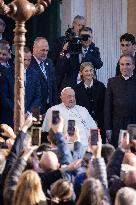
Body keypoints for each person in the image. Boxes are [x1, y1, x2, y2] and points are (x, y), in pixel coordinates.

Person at [0, 47, 41, 127]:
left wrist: (28, 112)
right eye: (24, 59)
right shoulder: (6, 73)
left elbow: (37, 97)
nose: (26, 63)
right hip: (10, 119)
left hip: (28, 119)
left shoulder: (34, 74)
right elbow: (4, 98)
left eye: (29, 60)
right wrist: (19, 112)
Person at [55, 26, 103, 94]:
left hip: (87, 85)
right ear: (79, 38)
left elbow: (99, 64)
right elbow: (60, 67)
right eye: (84, 37)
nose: (86, 39)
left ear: (92, 37)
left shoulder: (94, 50)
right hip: (72, 85)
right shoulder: (73, 48)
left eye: (88, 36)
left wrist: (87, 55)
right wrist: (64, 51)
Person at [104, 54, 136, 147]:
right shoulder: (112, 82)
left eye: (128, 64)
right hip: (117, 125)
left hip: (134, 123)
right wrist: (108, 128)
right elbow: (107, 107)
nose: (124, 67)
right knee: (118, 155)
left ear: (133, 66)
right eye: (122, 64)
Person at [75, 62, 106, 142]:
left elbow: (104, 106)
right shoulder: (76, 89)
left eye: (91, 70)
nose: (89, 73)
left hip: (99, 124)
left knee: (97, 149)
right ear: (81, 73)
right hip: (83, 126)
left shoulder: (101, 87)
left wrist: (96, 121)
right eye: (86, 71)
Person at [29, 37, 57, 115]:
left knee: (54, 127)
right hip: (36, 108)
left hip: (50, 106)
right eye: (42, 50)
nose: (45, 53)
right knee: (37, 127)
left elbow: (53, 86)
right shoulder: (29, 64)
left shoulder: (49, 62)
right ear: (34, 49)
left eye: (47, 50)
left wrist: (56, 107)